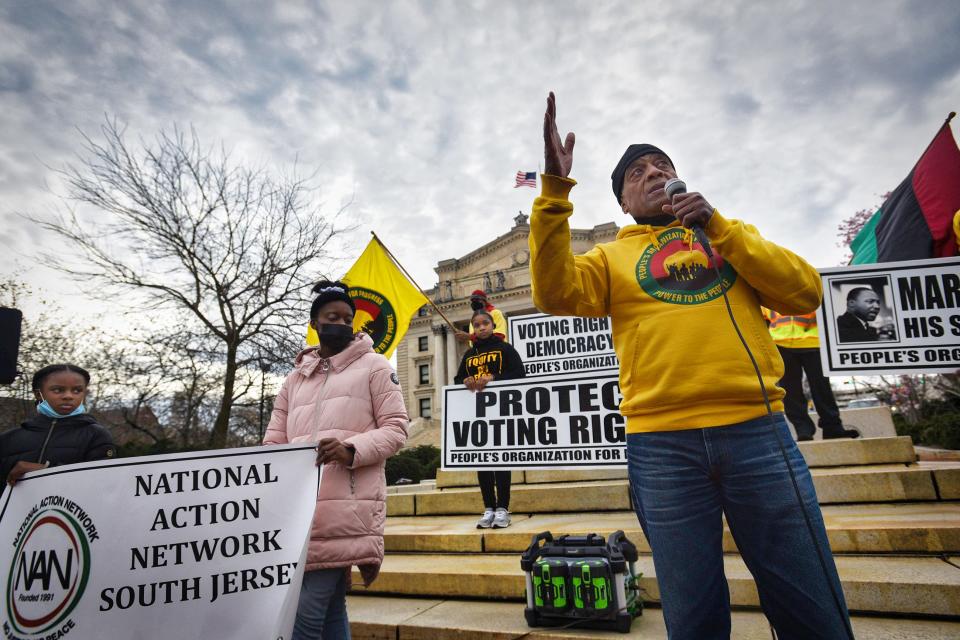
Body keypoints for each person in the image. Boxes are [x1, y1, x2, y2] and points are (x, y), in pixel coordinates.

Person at [530, 92, 851, 639]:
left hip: (759, 433)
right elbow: (555, 292)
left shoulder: (730, 234)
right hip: (662, 447)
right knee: (693, 609)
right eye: (637, 172)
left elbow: (803, 292)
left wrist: (720, 228)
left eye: (664, 166)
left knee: (808, 599)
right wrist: (556, 193)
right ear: (624, 205)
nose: (655, 174)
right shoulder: (609, 257)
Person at [263, 280, 408, 640]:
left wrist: (351, 449)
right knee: (328, 613)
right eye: (332, 317)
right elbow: (274, 440)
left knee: (305, 617)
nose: (341, 324)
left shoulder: (375, 366)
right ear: (315, 322)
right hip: (298, 513)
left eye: (347, 318)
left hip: (347, 509)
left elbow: (397, 428)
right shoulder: (295, 378)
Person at [454, 309, 526, 529]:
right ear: (473, 329)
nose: (481, 327)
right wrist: (466, 380)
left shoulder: (505, 349)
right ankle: (489, 508)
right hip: (478, 416)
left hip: (502, 412)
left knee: (501, 461)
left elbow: (520, 375)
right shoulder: (469, 354)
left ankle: (503, 508)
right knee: (483, 462)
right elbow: (457, 380)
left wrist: (493, 378)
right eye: (476, 325)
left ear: (493, 325)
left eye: (485, 323)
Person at [0, 363, 115, 489]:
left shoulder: (96, 435)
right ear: (38, 394)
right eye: (57, 390)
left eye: (77, 390)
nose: (68, 396)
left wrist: (46, 470)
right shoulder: (9, 438)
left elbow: (103, 483)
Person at [763, 310, 860, 441]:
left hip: (814, 342)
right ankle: (802, 429)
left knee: (821, 387)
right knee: (790, 391)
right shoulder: (769, 290)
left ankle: (832, 428)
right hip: (780, 343)